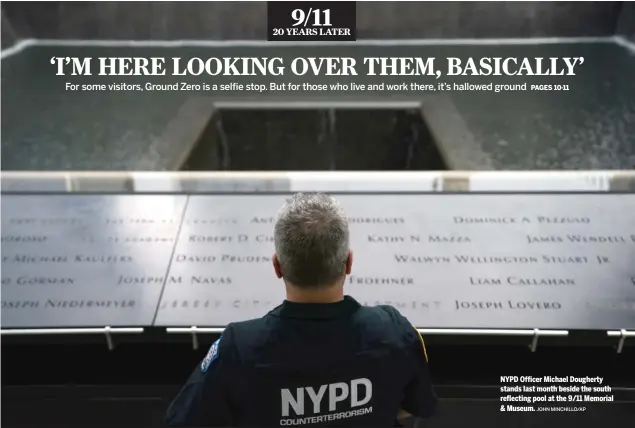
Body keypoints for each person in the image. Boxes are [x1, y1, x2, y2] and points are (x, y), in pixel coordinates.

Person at [165, 193, 437, 427]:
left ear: (277, 266)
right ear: (348, 263)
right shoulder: (394, 332)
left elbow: (184, 419)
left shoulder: (237, 348)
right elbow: (416, 405)